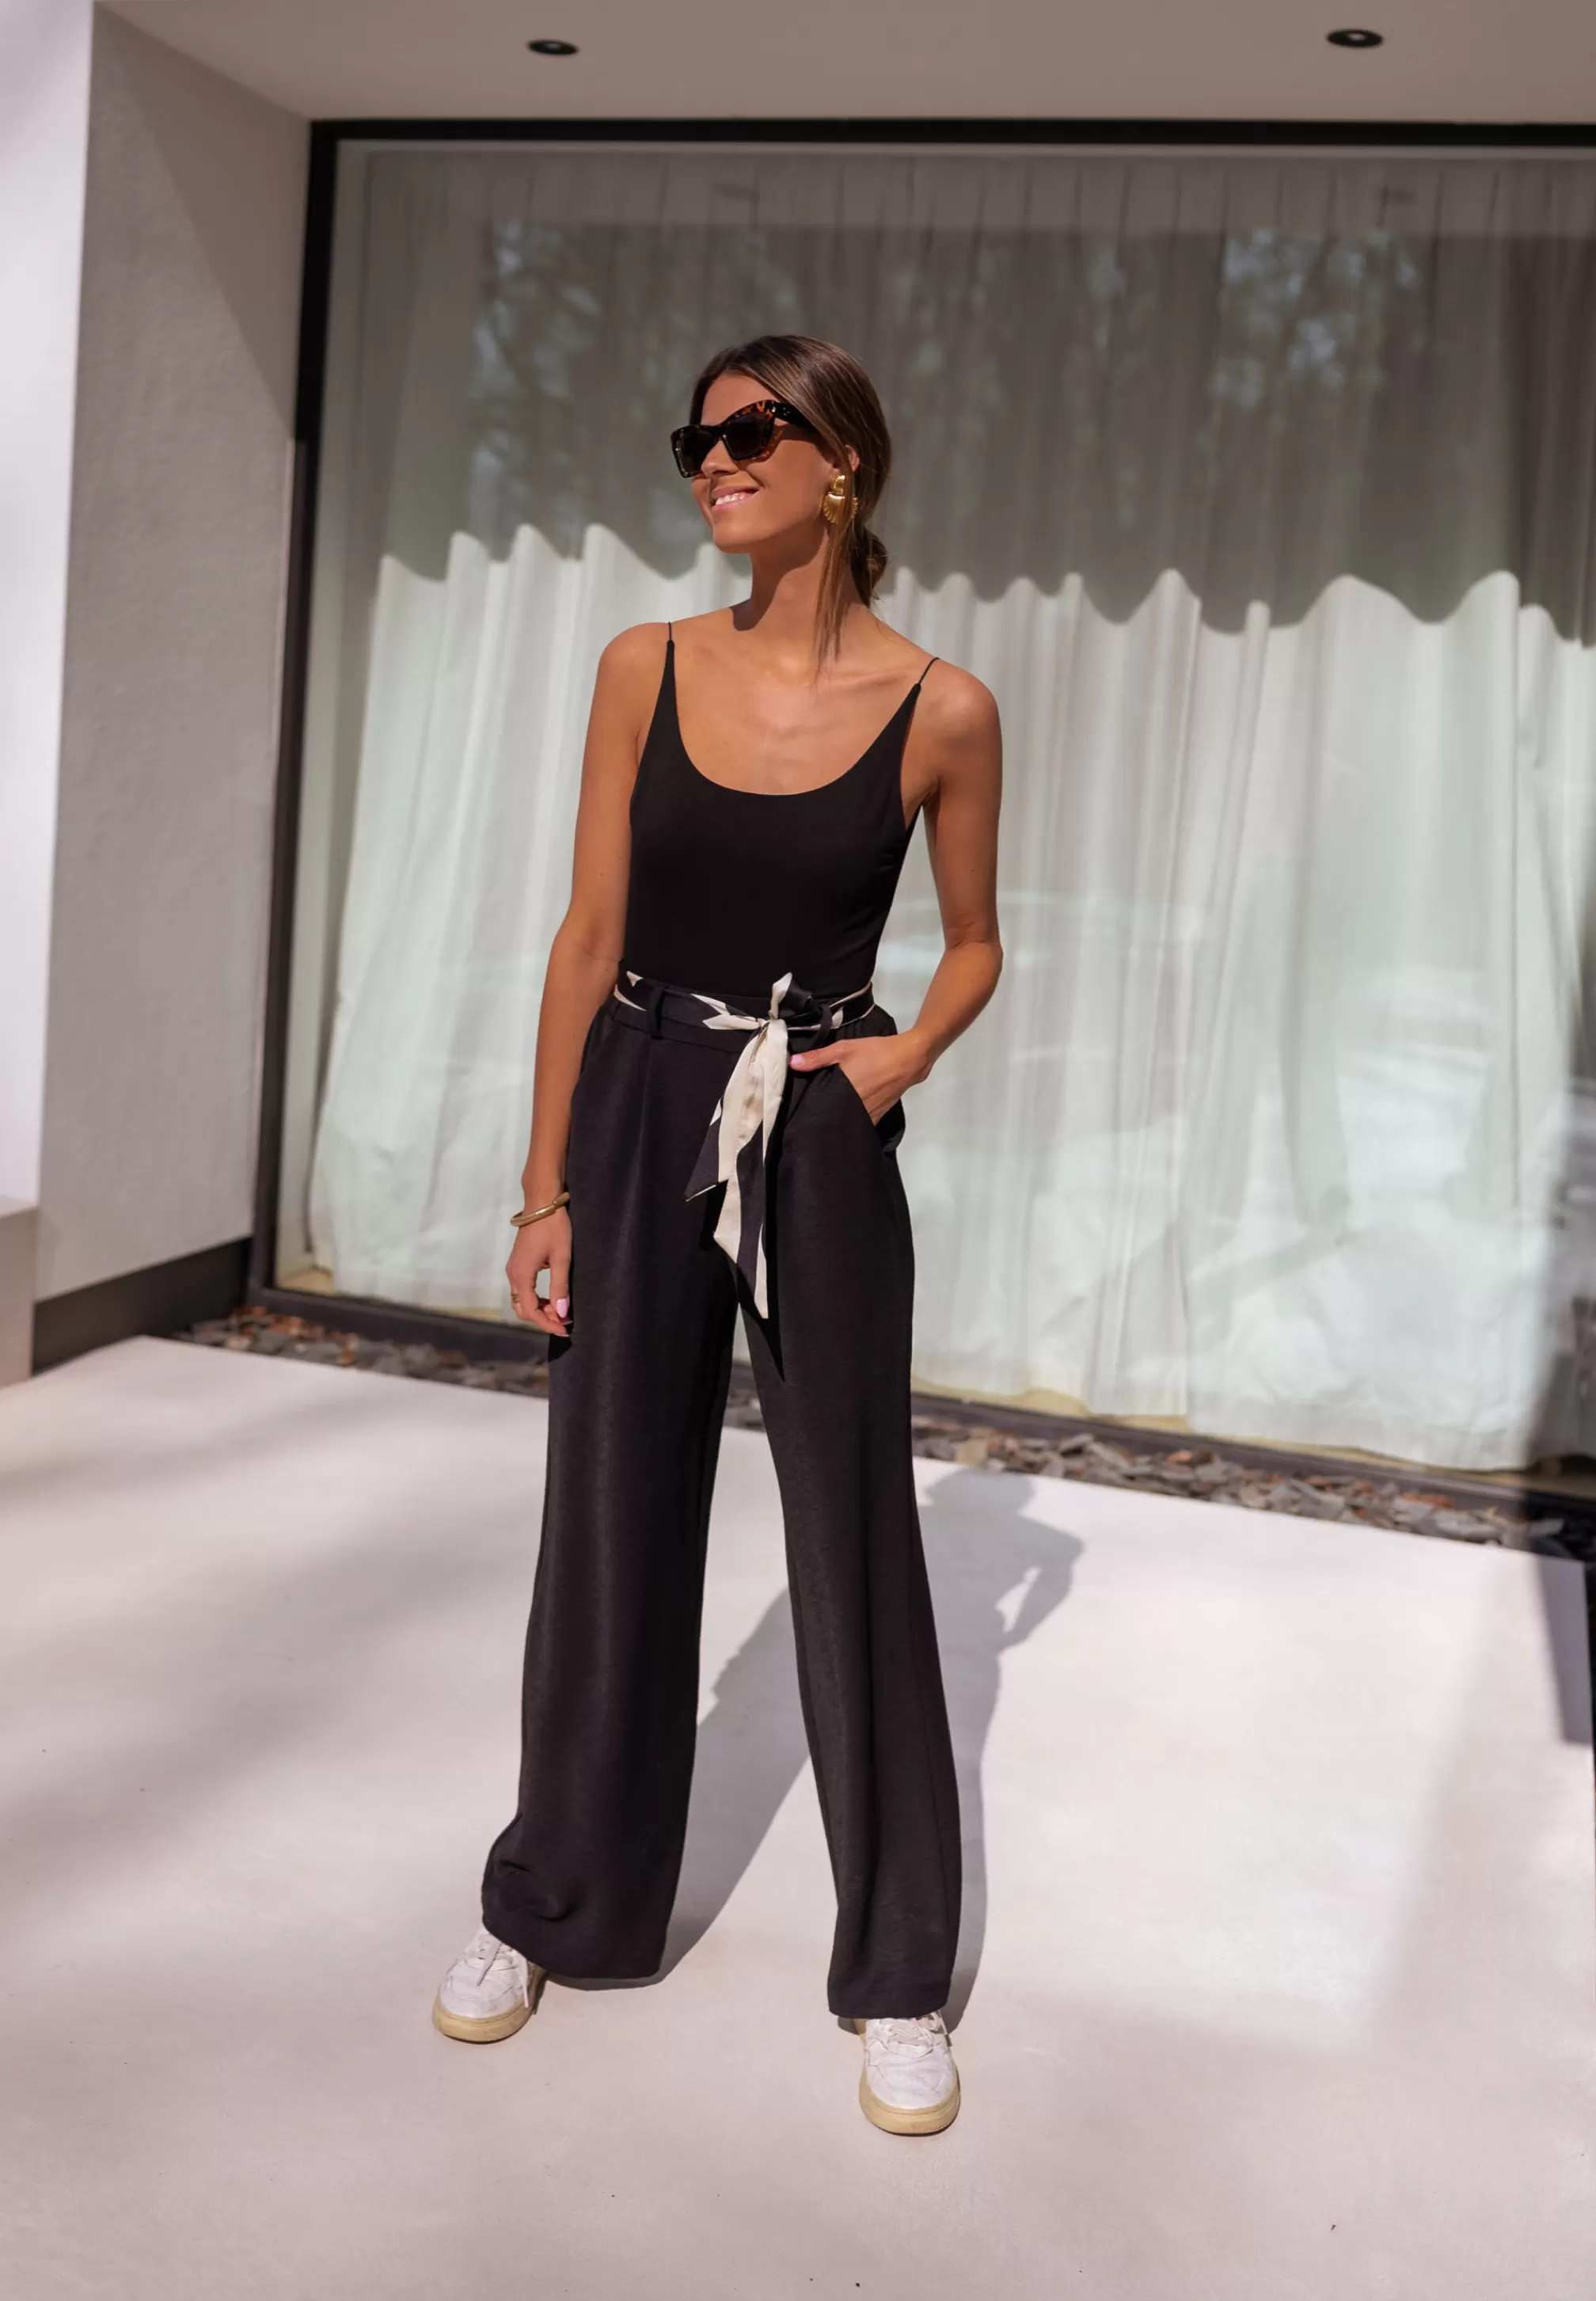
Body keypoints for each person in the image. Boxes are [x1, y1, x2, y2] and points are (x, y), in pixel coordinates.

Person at [431, 333, 1003, 2136]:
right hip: (638, 1099)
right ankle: (557, 1902)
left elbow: (977, 941)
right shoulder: (644, 665)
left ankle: (897, 1974)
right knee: (608, 1518)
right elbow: (586, 934)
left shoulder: (944, 708)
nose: (715, 459)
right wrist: (544, 1186)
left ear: (846, 464)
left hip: (816, 1122)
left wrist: (902, 1053)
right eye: (698, 435)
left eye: (756, 431)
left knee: (854, 1536)